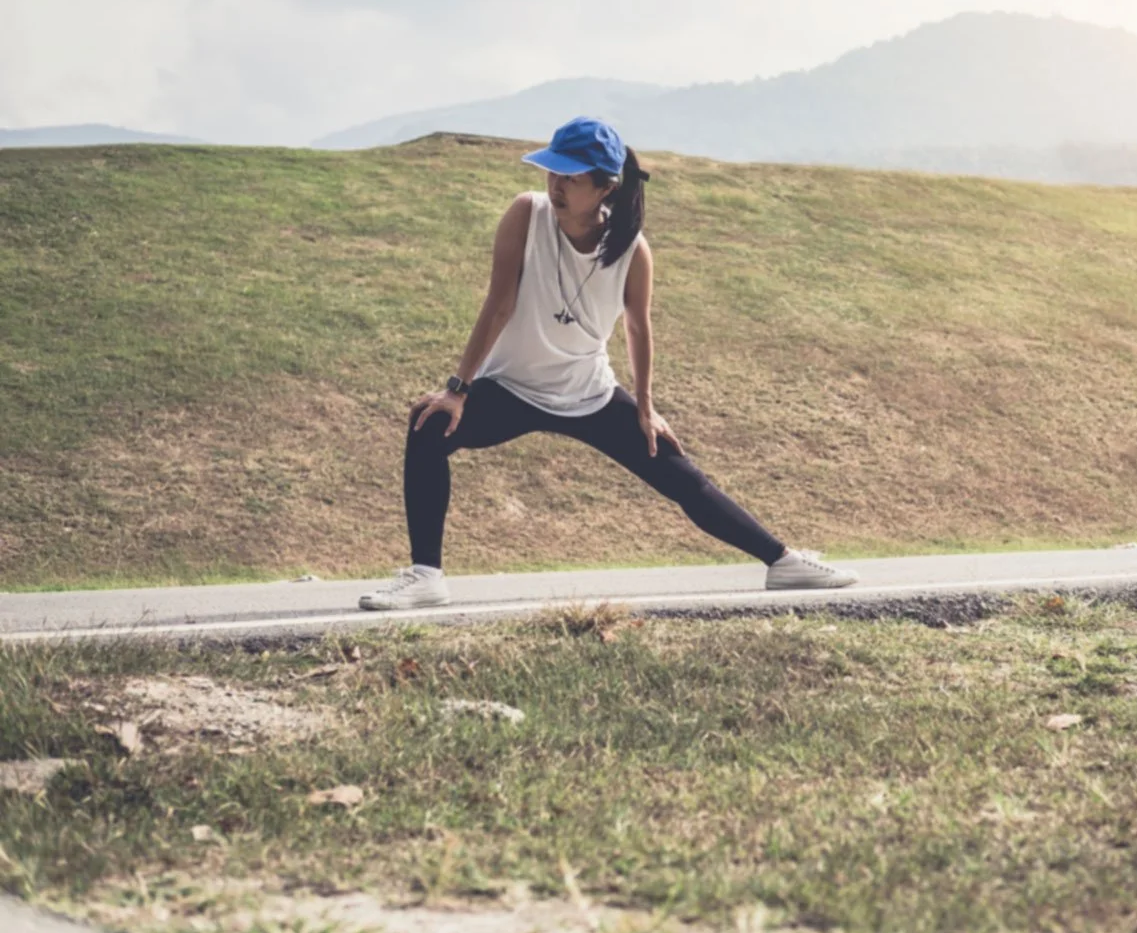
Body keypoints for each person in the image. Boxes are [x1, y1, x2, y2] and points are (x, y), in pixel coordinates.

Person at [359, 116, 858, 610]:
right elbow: (499, 304)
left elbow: (638, 329)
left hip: (587, 393)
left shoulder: (630, 251)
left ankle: (783, 561)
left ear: (604, 187)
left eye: (571, 177)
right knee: (428, 426)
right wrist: (458, 389)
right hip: (511, 387)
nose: (555, 186)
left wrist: (645, 407)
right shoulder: (525, 214)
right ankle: (426, 575)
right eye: (552, 172)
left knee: (679, 475)